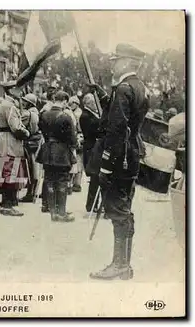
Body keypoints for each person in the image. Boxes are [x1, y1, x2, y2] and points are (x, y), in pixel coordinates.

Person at [87, 43, 149, 280]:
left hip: (118, 157)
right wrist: (103, 96)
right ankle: (125, 264)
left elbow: (117, 128)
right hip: (130, 155)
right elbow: (128, 118)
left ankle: (119, 264)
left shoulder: (123, 88)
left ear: (125, 62)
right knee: (125, 209)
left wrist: (106, 164)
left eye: (115, 60)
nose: (112, 64)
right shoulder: (139, 87)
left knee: (117, 210)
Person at [37, 91, 77, 222]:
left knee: (49, 180)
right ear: (65, 101)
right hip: (61, 153)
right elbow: (72, 139)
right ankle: (61, 212)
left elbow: (41, 130)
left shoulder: (43, 115)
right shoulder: (66, 117)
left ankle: (52, 212)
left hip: (47, 151)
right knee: (62, 181)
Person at [0, 80, 30, 217]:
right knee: (10, 174)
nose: (21, 92)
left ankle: (7, 203)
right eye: (18, 89)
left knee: (8, 173)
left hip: (5, 141)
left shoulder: (5, 104)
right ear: (11, 90)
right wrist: (26, 132)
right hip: (10, 142)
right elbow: (15, 127)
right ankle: (7, 206)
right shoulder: (10, 106)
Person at [80, 93, 102, 214]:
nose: (95, 105)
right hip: (91, 148)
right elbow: (93, 131)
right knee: (95, 176)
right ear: (88, 103)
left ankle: (93, 204)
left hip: (93, 148)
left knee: (96, 178)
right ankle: (91, 204)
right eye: (94, 102)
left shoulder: (91, 115)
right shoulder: (85, 116)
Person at [19, 93, 42, 203]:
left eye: (25, 101)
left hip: (29, 142)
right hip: (36, 142)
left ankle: (30, 193)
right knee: (34, 168)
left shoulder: (27, 114)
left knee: (30, 169)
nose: (23, 103)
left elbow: (19, 125)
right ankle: (32, 192)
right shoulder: (36, 112)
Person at [68, 96, 84, 192]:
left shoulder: (78, 114)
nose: (70, 105)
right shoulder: (76, 112)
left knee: (78, 162)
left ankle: (76, 183)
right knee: (77, 162)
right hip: (79, 138)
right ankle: (76, 183)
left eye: (72, 103)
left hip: (79, 138)